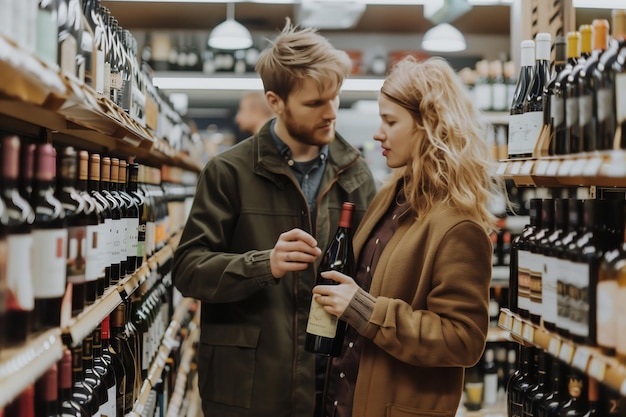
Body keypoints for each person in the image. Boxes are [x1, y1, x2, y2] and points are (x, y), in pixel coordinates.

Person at [172, 19, 377, 417]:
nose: (331, 113)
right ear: (275, 101)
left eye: (335, 98)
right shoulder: (228, 172)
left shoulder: (356, 175)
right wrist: (263, 263)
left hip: (327, 383)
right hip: (250, 388)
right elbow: (187, 270)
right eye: (315, 103)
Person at [314, 56, 501, 417]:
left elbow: (464, 340)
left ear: (428, 126)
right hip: (346, 399)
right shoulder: (392, 195)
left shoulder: (458, 226)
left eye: (390, 121)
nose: (377, 133)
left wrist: (365, 310)